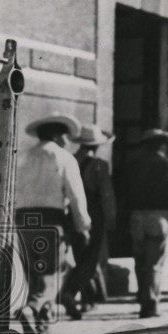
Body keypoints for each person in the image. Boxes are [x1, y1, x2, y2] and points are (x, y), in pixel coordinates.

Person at [13, 113, 91, 334]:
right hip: (51, 219)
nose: (67, 140)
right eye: (65, 135)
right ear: (58, 136)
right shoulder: (64, 158)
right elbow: (76, 196)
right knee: (55, 271)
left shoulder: (23, 157)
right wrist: (82, 225)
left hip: (23, 219)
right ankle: (32, 309)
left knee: (33, 273)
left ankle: (39, 327)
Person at [124, 128, 168, 318]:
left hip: (137, 217)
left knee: (140, 261)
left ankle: (142, 296)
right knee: (154, 263)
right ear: (162, 145)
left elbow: (122, 193)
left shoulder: (132, 165)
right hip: (159, 218)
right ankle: (150, 304)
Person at [59, 123, 117, 319]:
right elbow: (107, 195)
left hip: (71, 214)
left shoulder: (70, 160)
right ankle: (69, 292)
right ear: (96, 145)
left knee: (80, 254)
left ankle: (87, 300)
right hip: (94, 215)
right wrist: (111, 219)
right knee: (90, 260)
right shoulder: (100, 166)